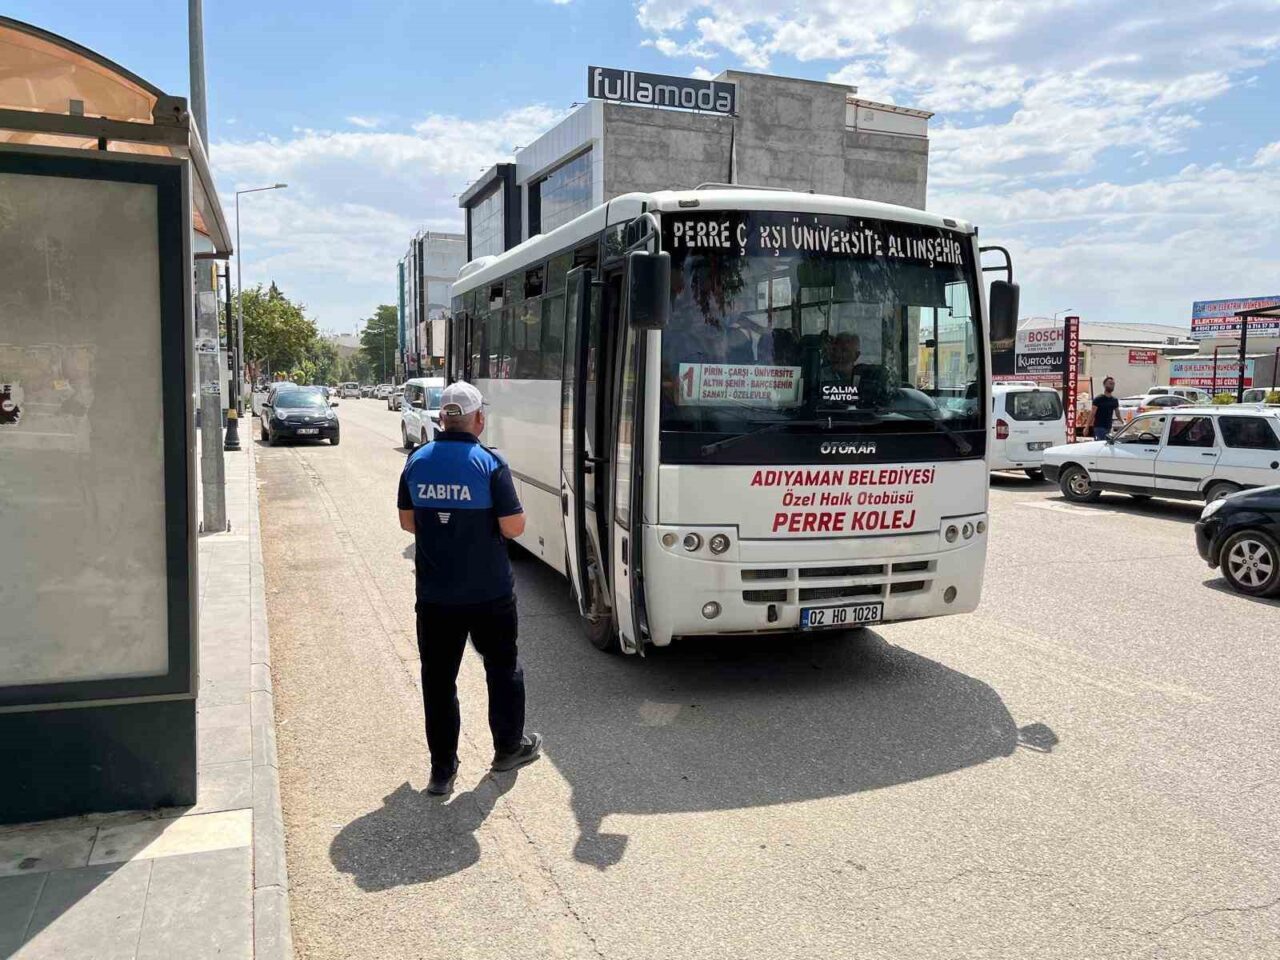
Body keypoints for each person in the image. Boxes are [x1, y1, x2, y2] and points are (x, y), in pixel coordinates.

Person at [397, 381, 541, 796]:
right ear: (478, 419)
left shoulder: (417, 461)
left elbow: (409, 523)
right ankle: (508, 749)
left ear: (443, 417)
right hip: (489, 593)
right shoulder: (489, 464)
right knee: (502, 668)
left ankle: (442, 771)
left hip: (436, 596)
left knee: (438, 680)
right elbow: (513, 527)